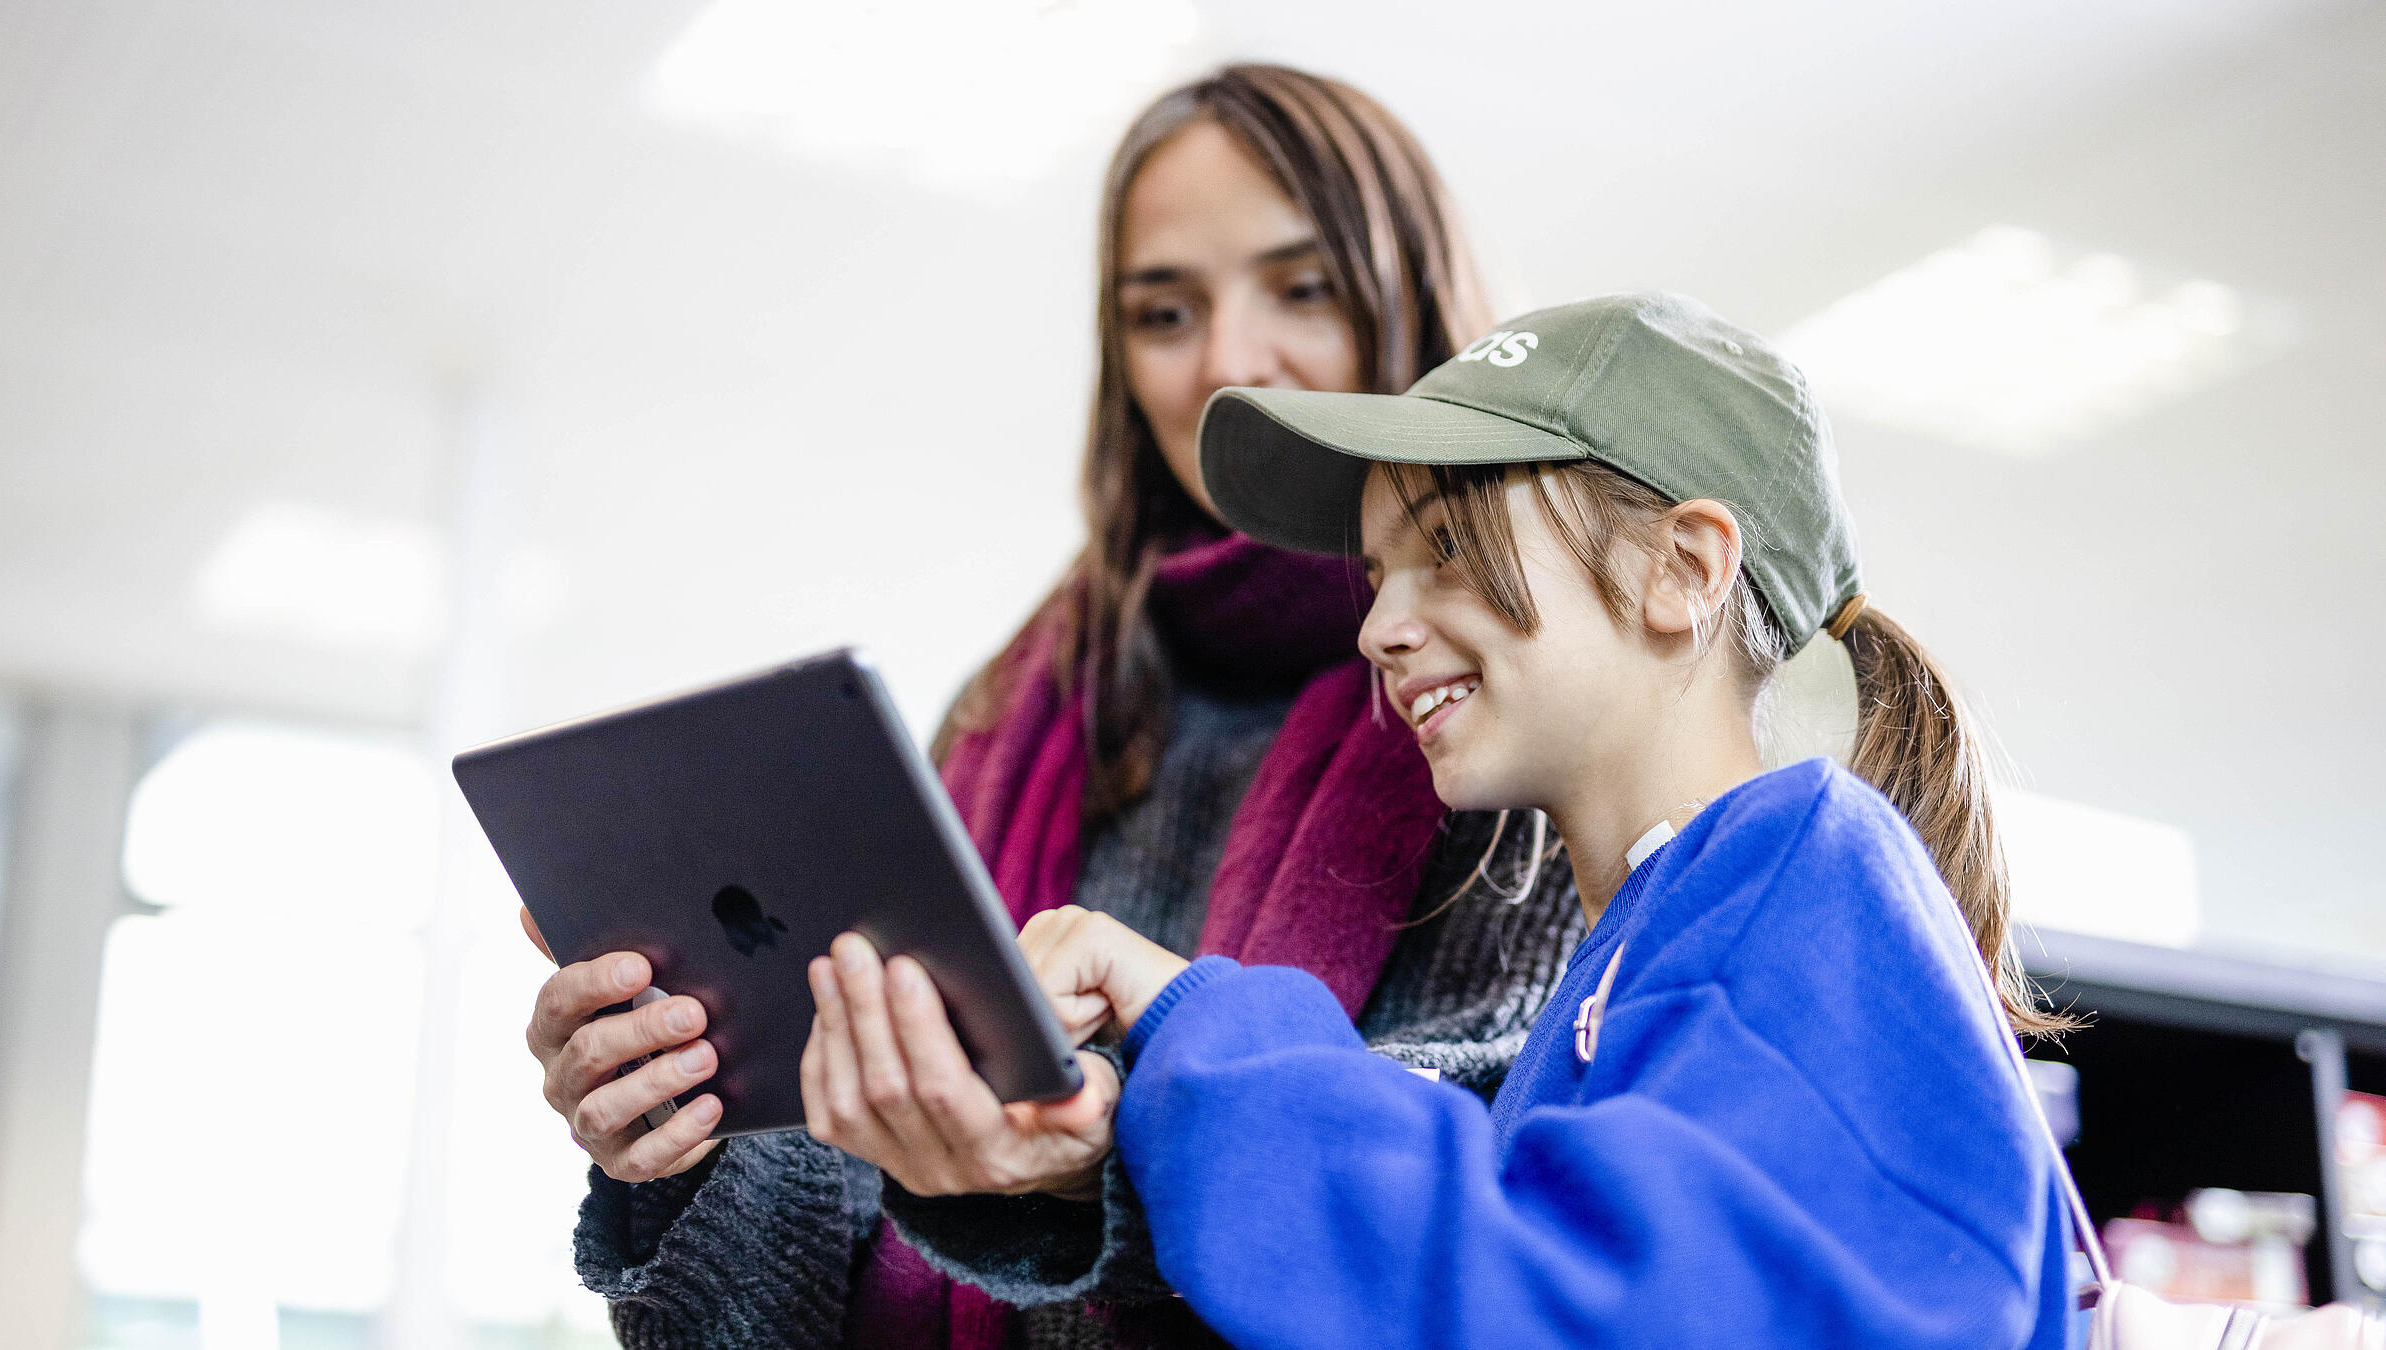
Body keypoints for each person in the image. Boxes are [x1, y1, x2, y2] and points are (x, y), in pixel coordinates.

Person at [522, 65, 1599, 1348]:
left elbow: (1517, 1148)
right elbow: (844, 1195)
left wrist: (1106, 1148)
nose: (1229, 366)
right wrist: (693, 1132)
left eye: (1303, 288)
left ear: (1411, 301)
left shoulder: (1513, 686)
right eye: (1163, 312)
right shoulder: (1007, 715)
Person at [809, 292, 2076, 1348]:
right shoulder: (1654, 947)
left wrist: (1199, 1021)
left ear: (1683, 570)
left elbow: (1587, 1317)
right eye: (1375, 576)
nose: (1376, 627)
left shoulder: (1808, 868)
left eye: (1448, 551)